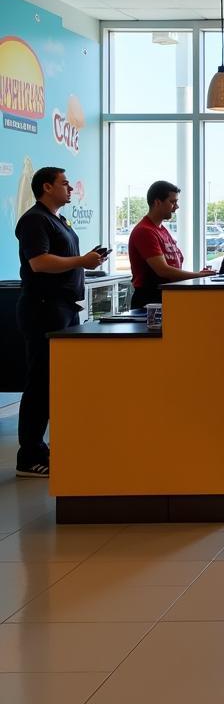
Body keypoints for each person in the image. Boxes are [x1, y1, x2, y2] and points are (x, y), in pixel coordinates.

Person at [15, 166, 105, 477]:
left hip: (63, 307)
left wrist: (87, 261)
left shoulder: (56, 220)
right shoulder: (34, 220)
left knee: (52, 382)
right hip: (43, 309)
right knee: (40, 383)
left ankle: (42, 448)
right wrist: (82, 261)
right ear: (46, 187)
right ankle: (29, 455)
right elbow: (39, 263)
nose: (70, 188)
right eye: (64, 183)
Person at [128, 180, 212, 309]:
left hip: (166, 296)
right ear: (157, 202)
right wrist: (198, 276)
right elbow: (163, 270)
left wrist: (198, 276)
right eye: (172, 202)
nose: (176, 207)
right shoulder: (145, 231)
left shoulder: (162, 230)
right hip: (150, 301)